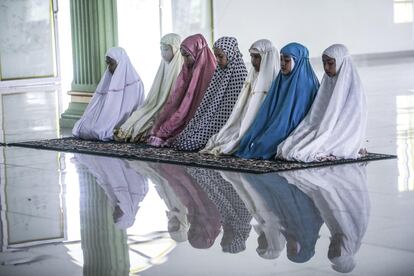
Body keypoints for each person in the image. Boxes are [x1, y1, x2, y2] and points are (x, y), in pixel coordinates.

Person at [277, 44, 367, 162]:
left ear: (341, 62)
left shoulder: (354, 87)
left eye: (330, 63)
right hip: (325, 127)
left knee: (312, 147)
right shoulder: (328, 81)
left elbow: (349, 123)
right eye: (324, 63)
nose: (326, 68)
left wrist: (327, 129)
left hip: (342, 132)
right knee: (292, 144)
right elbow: (317, 112)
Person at [280, 163, 370, 273]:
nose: (331, 247)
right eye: (336, 251)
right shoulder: (353, 227)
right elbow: (343, 202)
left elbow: (324, 206)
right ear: (347, 249)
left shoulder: (338, 231)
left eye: (330, 251)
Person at [236, 42, 319, 159]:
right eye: (281, 60)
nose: (283, 64)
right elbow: (267, 110)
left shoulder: (305, 83)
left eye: (287, 60)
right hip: (276, 124)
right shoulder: (281, 78)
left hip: (291, 128)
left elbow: (294, 118)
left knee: (264, 144)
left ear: (298, 61)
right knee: (248, 139)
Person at [201, 39, 280, 155]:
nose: (253, 61)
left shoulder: (276, 79)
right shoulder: (253, 75)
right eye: (251, 56)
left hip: (261, 126)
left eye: (256, 57)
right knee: (223, 138)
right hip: (243, 122)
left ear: (268, 57)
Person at [173, 37, 248, 151]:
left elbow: (229, 110)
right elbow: (210, 99)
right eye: (216, 56)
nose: (217, 60)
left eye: (220, 56)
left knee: (190, 143)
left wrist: (209, 122)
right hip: (212, 116)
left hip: (224, 122)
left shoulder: (239, 73)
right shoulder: (220, 70)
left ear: (231, 54)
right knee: (183, 138)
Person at [147, 34, 216, 147]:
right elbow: (177, 99)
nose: (185, 60)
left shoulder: (211, 71)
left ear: (197, 53)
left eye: (187, 56)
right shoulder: (187, 69)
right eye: (183, 56)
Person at [114, 33, 183, 142]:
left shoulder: (181, 66)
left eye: (166, 49)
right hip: (156, 103)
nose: (162, 53)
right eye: (161, 49)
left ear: (175, 49)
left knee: (147, 123)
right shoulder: (164, 65)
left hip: (171, 107)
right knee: (139, 115)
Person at [72, 47, 145, 141]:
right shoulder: (109, 78)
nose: (109, 67)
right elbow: (99, 103)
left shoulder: (135, 83)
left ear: (120, 63)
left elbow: (128, 109)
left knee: (99, 131)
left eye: (112, 63)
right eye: (108, 63)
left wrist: (112, 121)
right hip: (107, 116)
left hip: (121, 119)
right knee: (85, 128)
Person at [72, 154, 149, 229]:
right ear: (127, 214)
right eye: (118, 214)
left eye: (114, 214)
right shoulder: (139, 191)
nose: (115, 212)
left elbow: (105, 179)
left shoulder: (118, 198)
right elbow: (114, 172)